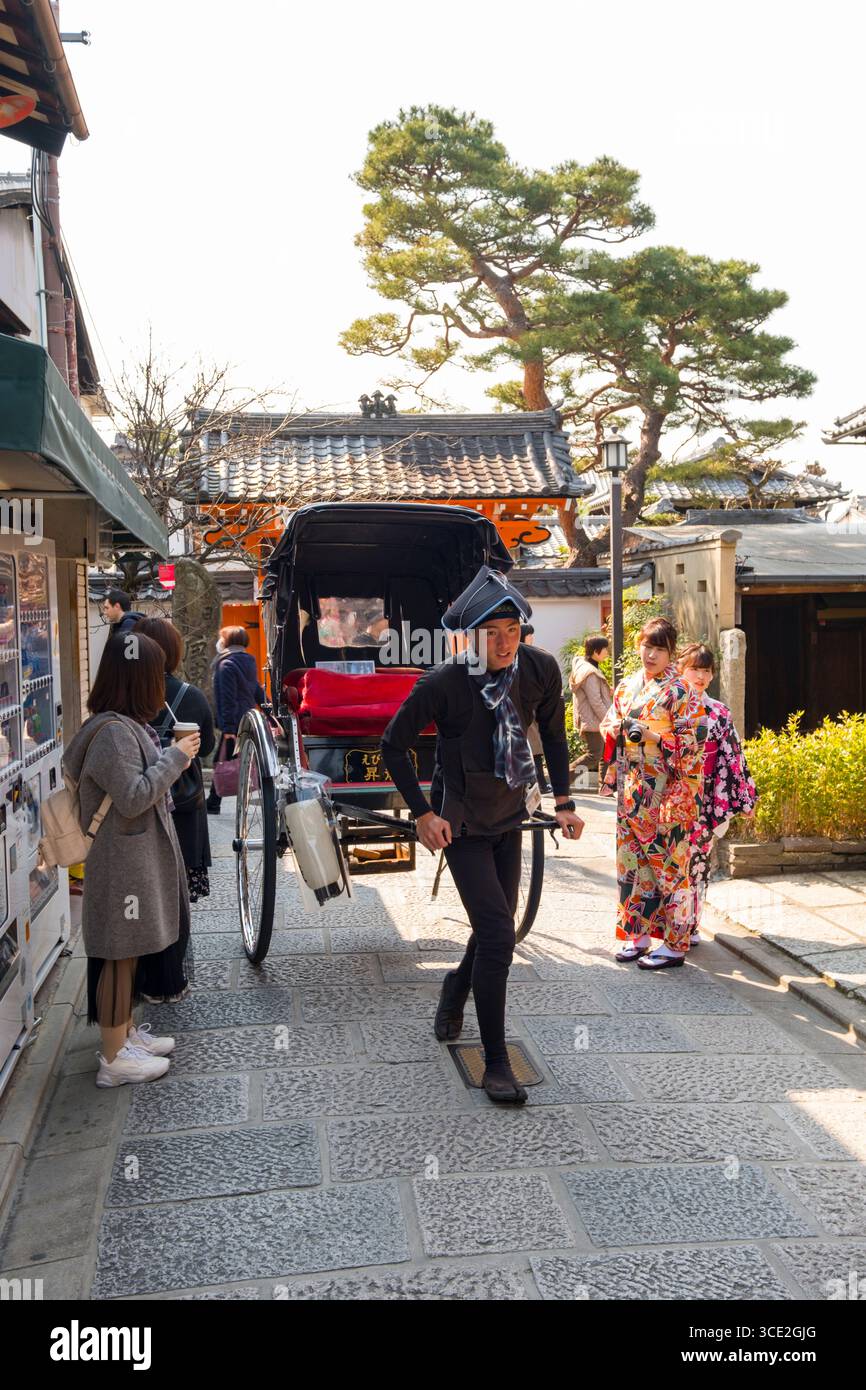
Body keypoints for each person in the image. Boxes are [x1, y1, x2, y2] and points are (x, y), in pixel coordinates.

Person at [381, 566, 584, 1104]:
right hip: (463, 823)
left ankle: (454, 988)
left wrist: (563, 801)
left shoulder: (539, 670)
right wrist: (423, 813)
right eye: (491, 633)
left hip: (511, 816)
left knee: (497, 928)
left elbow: (556, 736)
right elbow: (393, 746)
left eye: (512, 631)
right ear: (469, 637)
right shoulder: (444, 683)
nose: (503, 643)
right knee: (498, 935)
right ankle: (496, 1060)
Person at [62, 632, 201, 1087]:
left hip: (128, 859)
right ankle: (114, 1056)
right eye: (154, 675)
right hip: (121, 864)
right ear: (138, 680)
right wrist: (175, 759)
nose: (161, 685)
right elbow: (134, 796)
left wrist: (166, 758)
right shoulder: (114, 734)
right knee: (118, 954)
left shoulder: (117, 725)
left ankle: (123, 1038)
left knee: (127, 951)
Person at [600, 616, 707, 970]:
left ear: (671, 653)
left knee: (671, 867)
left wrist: (654, 737)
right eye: (647, 646)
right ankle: (639, 935)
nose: (651, 654)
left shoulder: (681, 692)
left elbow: (693, 751)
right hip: (632, 787)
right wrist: (613, 730)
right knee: (632, 864)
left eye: (659, 649)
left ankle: (676, 945)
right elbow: (610, 725)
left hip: (667, 790)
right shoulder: (627, 686)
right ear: (638, 646)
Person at [677, 643, 757, 944]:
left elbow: (734, 757)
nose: (700, 676)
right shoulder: (668, 707)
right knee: (669, 861)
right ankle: (668, 925)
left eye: (706, 670)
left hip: (704, 798)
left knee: (697, 862)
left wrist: (744, 796)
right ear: (681, 669)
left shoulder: (719, 712)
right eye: (694, 669)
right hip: (670, 796)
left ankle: (689, 925)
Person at [132, 617, 216, 903]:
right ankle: (176, 944)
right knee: (177, 898)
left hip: (136, 806)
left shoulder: (124, 695)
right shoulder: (192, 696)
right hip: (183, 805)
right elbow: (206, 750)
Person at [206, 625, 265, 814]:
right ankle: (214, 801)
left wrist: (229, 728)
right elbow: (256, 689)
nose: (219, 642)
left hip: (233, 722)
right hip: (248, 718)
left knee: (223, 760)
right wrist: (269, 710)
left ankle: (214, 803)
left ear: (227, 641)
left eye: (221, 638)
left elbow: (227, 698)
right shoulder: (248, 661)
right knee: (244, 760)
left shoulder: (226, 664)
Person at [570, 635, 613, 783]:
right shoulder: (589, 673)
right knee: (594, 754)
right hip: (594, 720)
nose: (607, 652)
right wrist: (608, 720)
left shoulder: (588, 666)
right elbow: (595, 701)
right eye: (605, 649)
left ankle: (605, 785)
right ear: (596, 651)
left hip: (594, 719)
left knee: (605, 752)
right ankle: (563, 778)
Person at [521, 623, 551, 793]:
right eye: (530, 634)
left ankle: (539, 785)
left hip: (533, 711)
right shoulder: (527, 658)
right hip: (528, 712)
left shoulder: (533, 656)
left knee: (536, 752)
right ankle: (538, 784)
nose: (532, 638)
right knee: (533, 752)